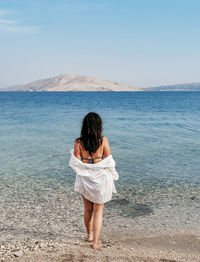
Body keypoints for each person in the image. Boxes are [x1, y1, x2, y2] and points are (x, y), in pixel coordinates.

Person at [69, 112, 119, 249]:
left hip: (85, 178)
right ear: (99, 126)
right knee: (98, 210)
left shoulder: (78, 142)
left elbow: (76, 163)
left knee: (87, 209)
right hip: (101, 178)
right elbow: (109, 160)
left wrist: (87, 168)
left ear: (84, 126)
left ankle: (89, 236)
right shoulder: (103, 141)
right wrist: (113, 176)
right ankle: (96, 242)